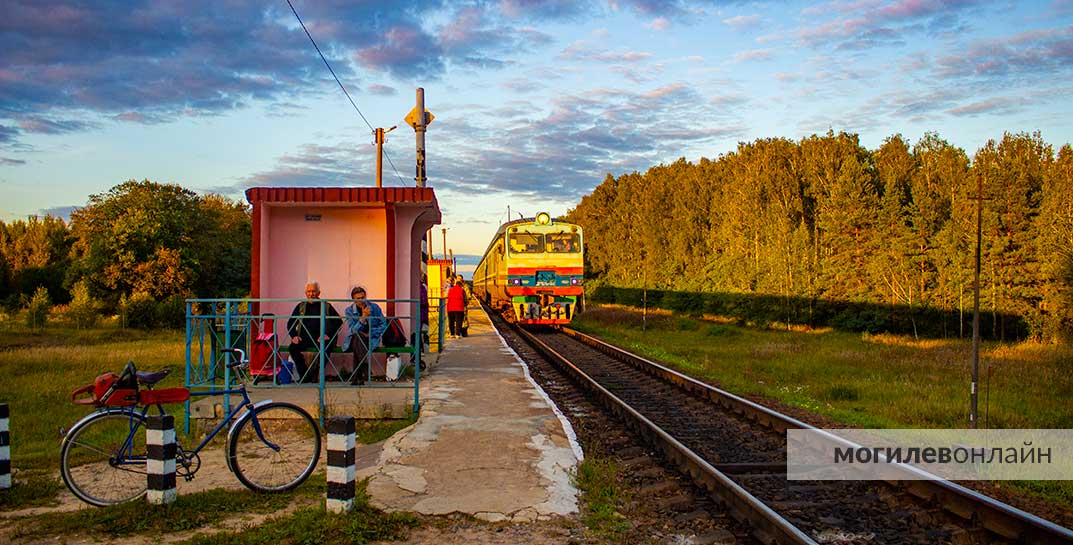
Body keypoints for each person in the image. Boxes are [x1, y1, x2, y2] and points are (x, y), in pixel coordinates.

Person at [287, 281, 342, 383]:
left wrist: (328, 335)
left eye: (313, 291)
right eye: (308, 291)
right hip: (304, 338)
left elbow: (338, 322)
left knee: (327, 346)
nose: (311, 294)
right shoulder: (301, 306)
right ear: (305, 293)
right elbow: (290, 323)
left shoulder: (326, 306)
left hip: (320, 338)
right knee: (292, 348)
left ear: (319, 293)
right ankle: (304, 374)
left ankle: (315, 373)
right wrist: (294, 336)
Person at [342, 286, 386, 385]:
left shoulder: (374, 307)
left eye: (363, 297)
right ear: (353, 299)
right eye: (358, 299)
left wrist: (370, 333)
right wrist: (363, 318)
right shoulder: (349, 311)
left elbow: (383, 324)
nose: (361, 300)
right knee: (358, 337)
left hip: (371, 339)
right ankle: (364, 366)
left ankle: (357, 378)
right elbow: (353, 330)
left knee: (359, 344)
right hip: (355, 339)